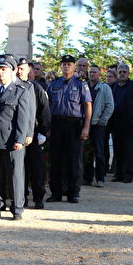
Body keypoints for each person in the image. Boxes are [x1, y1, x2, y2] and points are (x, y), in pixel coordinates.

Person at [0, 55, 31, 220]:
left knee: (15, 176)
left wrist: (20, 139)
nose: (0, 73)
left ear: (13, 71)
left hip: (11, 141)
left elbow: (23, 117)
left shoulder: (20, 90)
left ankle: (17, 209)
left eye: (4, 70)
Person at [46, 55, 92, 203]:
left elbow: (87, 105)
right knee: (56, 159)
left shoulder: (81, 84)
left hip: (74, 125)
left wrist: (86, 127)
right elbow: (47, 106)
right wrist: (47, 127)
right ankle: (56, 192)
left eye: (69, 64)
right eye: (64, 64)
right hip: (57, 124)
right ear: (61, 67)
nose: (66, 67)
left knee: (74, 160)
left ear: (74, 67)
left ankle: (73, 192)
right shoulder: (54, 84)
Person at [17, 57, 51, 209]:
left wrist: (43, 132)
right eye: (18, 68)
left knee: (36, 168)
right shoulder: (13, 87)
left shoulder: (36, 88)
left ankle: (38, 198)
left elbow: (45, 111)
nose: (20, 71)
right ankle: (21, 197)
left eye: (23, 69)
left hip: (34, 134)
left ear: (29, 71)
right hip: (17, 134)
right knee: (19, 168)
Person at [110, 63, 133, 183]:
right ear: (117, 73)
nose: (122, 74)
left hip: (130, 123)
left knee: (129, 150)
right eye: (120, 72)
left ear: (128, 73)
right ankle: (118, 173)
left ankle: (128, 174)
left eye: (125, 72)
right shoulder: (113, 86)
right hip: (116, 123)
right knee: (118, 149)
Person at [83, 65, 114, 188]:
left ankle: (100, 178)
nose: (92, 74)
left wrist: (102, 121)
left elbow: (110, 106)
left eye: (94, 72)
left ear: (99, 74)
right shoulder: (83, 86)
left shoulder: (105, 88)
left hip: (98, 125)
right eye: (90, 72)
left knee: (99, 152)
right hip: (85, 125)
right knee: (86, 152)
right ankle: (87, 177)